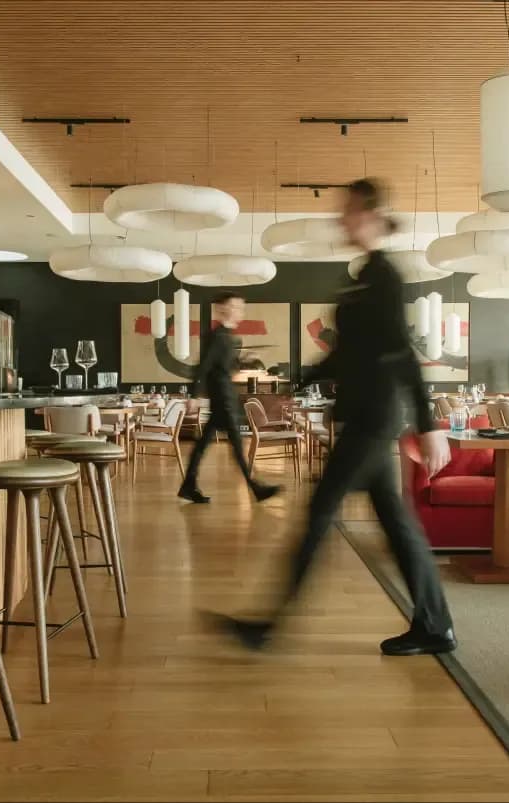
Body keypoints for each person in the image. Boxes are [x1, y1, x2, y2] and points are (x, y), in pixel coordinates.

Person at [216, 178, 457, 656]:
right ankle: (435, 626)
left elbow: (401, 353)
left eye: (350, 209)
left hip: (373, 419)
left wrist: (428, 423)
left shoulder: (384, 276)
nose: (341, 218)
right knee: (396, 524)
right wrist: (297, 384)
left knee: (320, 513)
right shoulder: (363, 276)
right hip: (366, 416)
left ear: (373, 215)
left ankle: (267, 625)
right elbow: (345, 353)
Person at [178, 291, 281, 504]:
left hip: (223, 397)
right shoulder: (217, 337)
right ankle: (255, 487)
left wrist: (244, 360)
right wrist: (194, 395)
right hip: (223, 399)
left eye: (241, 307)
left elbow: (224, 367)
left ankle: (189, 485)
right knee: (236, 446)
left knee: (204, 444)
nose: (240, 311)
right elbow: (203, 367)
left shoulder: (226, 337)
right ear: (223, 309)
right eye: (236, 306)